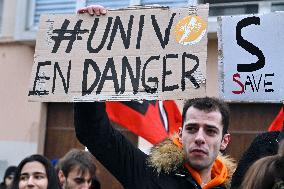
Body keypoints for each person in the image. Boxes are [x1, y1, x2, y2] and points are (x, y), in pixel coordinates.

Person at [74, 97, 236, 189]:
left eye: (210, 131)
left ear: (224, 141)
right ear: (180, 135)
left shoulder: (239, 185)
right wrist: (90, 78)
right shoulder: (147, 174)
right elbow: (94, 133)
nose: (200, 137)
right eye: (192, 129)